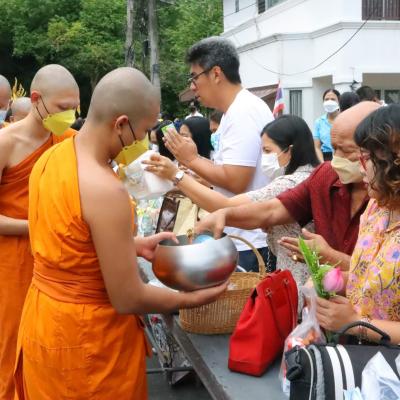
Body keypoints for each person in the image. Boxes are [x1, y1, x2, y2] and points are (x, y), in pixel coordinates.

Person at [14, 67, 227, 399]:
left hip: (43, 320)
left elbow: (67, 239)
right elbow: (128, 297)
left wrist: (133, 244)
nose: (143, 143)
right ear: (121, 124)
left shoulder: (51, 157)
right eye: (142, 132)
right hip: (88, 340)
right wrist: (188, 300)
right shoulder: (106, 189)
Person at [196, 101, 381, 272]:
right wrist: (226, 215)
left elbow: (384, 276)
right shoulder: (325, 176)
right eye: (334, 149)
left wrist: (330, 257)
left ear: (379, 150)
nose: (337, 159)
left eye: (347, 150)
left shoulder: (388, 199)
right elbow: (272, 210)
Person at [145, 114, 320, 279]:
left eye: (267, 151)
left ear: (290, 150)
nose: (264, 158)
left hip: (299, 279)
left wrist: (176, 175)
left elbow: (226, 206)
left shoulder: (291, 182)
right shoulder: (307, 176)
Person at [0, 64, 79, 400]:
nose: (70, 115)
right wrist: (37, 226)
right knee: (11, 346)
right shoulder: (6, 142)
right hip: (14, 263)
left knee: (53, 346)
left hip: (58, 262)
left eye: (74, 108)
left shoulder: (70, 141)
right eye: (63, 107)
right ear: (36, 99)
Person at [163, 36, 273, 271]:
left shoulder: (243, 112)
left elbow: (236, 180)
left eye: (194, 77)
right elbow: (228, 172)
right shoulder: (235, 111)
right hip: (243, 234)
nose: (192, 87)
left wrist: (190, 160)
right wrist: (197, 163)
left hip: (249, 240)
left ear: (215, 73)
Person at [316, 104, 400, 344]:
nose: (360, 167)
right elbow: (371, 278)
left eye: (366, 158)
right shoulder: (376, 208)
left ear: (392, 164)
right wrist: (334, 280)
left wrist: (356, 323)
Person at [313, 88, 341, 162]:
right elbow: (317, 147)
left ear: (339, 101)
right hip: (325, 158)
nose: (329, 102)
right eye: (326, 99)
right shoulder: (319, 122)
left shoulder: (344, 119)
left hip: (342, 158)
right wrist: (323, 164)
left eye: (333, 99)